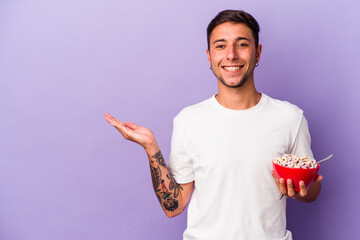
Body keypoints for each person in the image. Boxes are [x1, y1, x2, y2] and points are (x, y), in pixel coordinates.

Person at [105, 9, 323, 240]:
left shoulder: (290, 117)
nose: (231, 55)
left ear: (257, 53)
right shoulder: (188, 121)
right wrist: (150, 147)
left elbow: (312, 191)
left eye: (241, 44)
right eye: (220, 46)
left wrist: (301, 190)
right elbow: (174, 207)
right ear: (209, 57)